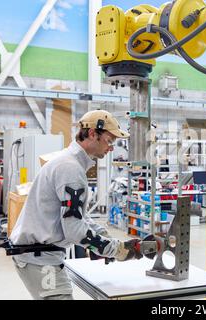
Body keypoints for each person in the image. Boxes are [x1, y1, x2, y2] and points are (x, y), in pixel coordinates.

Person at [9, 110, 142, 300]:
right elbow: (75, 230)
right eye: (109, 140)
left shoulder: (70, 163)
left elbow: (79, 216)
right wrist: (116, 250)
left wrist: (105, 239)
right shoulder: (70, 169)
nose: (111, 148)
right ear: (92, 134)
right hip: (40, 259)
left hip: (40, 255)